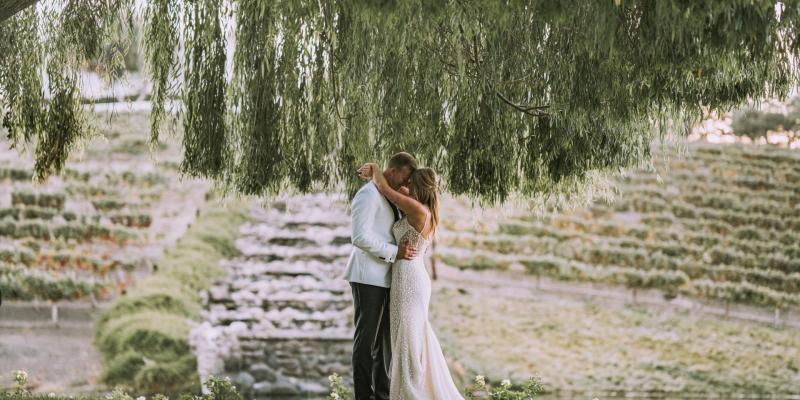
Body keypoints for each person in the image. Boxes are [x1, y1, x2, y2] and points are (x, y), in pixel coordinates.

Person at [357, 161, 464, 400]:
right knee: (409, 338)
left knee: (406, 341)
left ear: (420, 187)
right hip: (408, 277)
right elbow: (391, 186)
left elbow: (386, 190)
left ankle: (411, 394)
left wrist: (375, 167)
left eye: (411, 183)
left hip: (409, 282)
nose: (406, 186)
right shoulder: (423, 207)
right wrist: (379, 176)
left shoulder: (417, 210)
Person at [343, 152, 419, 400]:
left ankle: (382, 396)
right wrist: (394, 252)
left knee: (384, 345)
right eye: (404, 179)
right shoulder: (367, 195)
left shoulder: (387, 193)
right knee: (366, 342)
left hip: (387, 278)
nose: (405, 185)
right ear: (394, 170)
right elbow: (359, 237)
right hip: (367, 277)